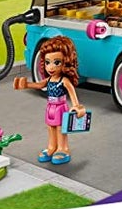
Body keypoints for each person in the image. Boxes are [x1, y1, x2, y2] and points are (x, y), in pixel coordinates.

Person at [16, 36, 86, 165]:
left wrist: (76, 106)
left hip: (60, 106)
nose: (51, 67)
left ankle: (63, 148)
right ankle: (52, 147)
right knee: (50, 128)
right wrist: (26, 85)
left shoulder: (64, 80)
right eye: (48, 62)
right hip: (50, 107)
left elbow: (72, 93)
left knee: (60, 128)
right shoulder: (49, 79)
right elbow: (39, 85)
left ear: (66, 62)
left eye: (56, 62)